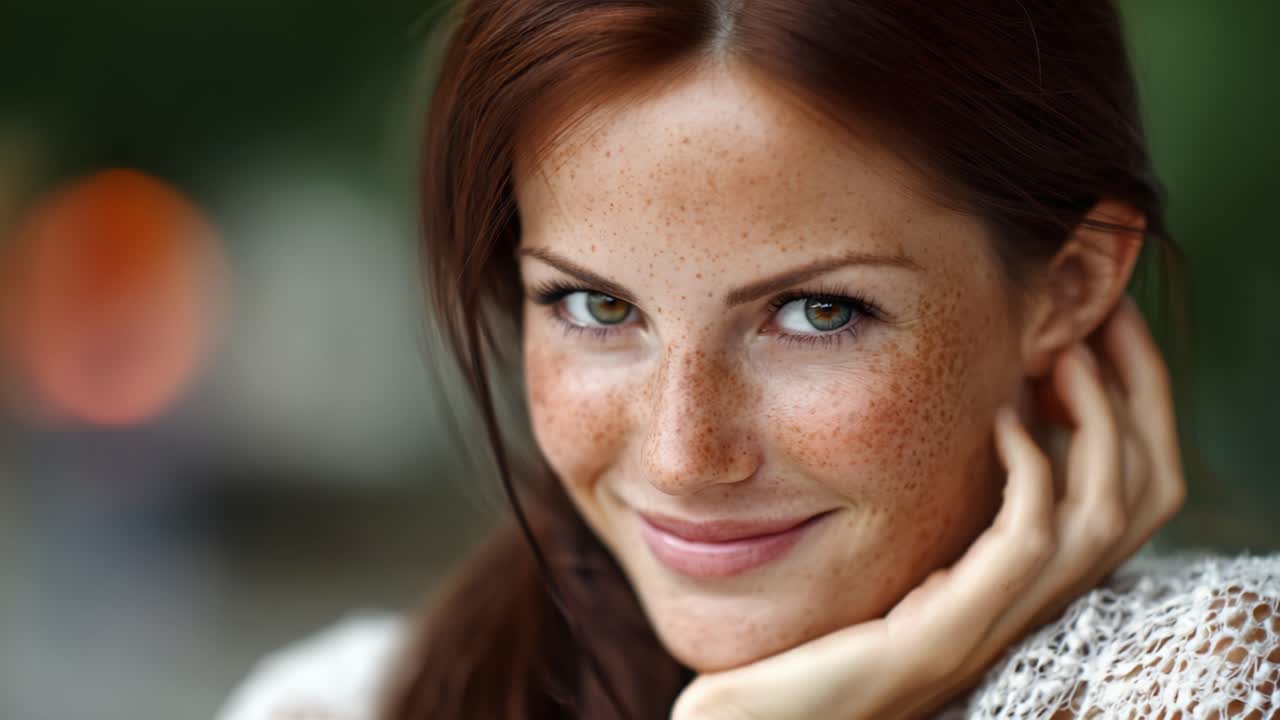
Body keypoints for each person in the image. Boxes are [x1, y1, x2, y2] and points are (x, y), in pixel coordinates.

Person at [218, 1, 1280, 718]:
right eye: (594, 306)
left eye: (816, 313)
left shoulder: (1210, 679)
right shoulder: (343, 698)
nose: (686, 456)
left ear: (1068, 285)